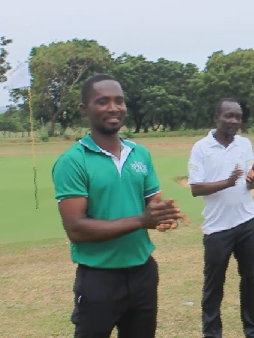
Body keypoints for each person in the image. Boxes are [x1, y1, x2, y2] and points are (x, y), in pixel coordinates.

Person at [52, 74, 186, 338]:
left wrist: (164, 215)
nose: (114, 108)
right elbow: (76, 229)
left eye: (119, 101)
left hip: (143, 272)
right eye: (102, 101)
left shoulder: (140, 154)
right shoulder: (73, 161)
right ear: (84, 109)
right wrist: (142, 220)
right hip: (99, 278)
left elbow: (153, 205)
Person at [187, 98, 254, 338]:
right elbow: (196, 188)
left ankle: (253, 332)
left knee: (250, 280)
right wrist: (227, 182)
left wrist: (252, 182)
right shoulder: (201, 148)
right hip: (217, 228)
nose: (234, 121)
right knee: (214, 285)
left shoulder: (245, 144)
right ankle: (212, 334)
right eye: (228, 116)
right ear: (216, 118)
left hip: (248, 222)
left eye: (238, 117)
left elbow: (252, 178)